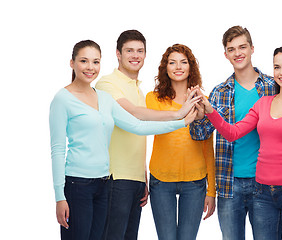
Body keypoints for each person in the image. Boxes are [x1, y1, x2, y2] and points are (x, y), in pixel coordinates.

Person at [49, 40, 197, 240]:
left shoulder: (104, 98)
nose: (90, 67)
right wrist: (60, 196)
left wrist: (182, 121)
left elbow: (137, 126)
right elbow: (58, 150)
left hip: (103, 183)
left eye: (95, 62)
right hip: (77, 183)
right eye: (84, 61)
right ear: (72, 63)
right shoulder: (63, 99)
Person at [199, 44, 282, 240]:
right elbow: (233, 132)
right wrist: (210, 111)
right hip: (262, 193)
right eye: (277, 67)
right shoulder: (264, 103)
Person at [95, 30, 199, 240]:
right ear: (118, 53)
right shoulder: (106, 84)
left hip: (135, 179)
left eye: (140, 51)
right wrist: (178, 115)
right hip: (116, 177)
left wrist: (142, 174)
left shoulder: (139, 91)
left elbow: (138, 135)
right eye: (129, 50)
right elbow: (133, 115)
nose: (135, 55)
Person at [189, 26, 277, 239]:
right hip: (229, 184)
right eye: (232, 49)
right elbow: (200, 135)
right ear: (226, 54)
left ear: (252, 49)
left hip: (265, 183)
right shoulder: (220, 92)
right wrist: (200, 117)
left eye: (242, 47)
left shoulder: (272, 87)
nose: (238, 53)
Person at [146, 44, 216, 240]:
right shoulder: (153, 99)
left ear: (190, 67)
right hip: (161, 180)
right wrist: (182, 113)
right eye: (172, 62)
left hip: (195, 183)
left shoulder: (203, 101)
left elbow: (208, 148)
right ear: (165, 68)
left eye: (183, 62)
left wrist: (211, 190)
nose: (178, 67)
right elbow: (149, 129)